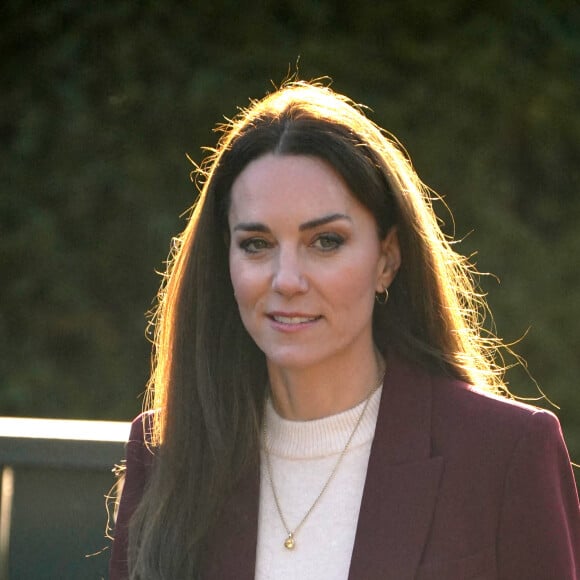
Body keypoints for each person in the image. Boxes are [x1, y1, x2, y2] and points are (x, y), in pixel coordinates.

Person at [109, 80, 579, 580]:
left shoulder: (504, 452)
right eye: (256, 244)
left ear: (387, 260)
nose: (286, 280)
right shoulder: (165, 450)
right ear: (223, 259)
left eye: (326, 241)